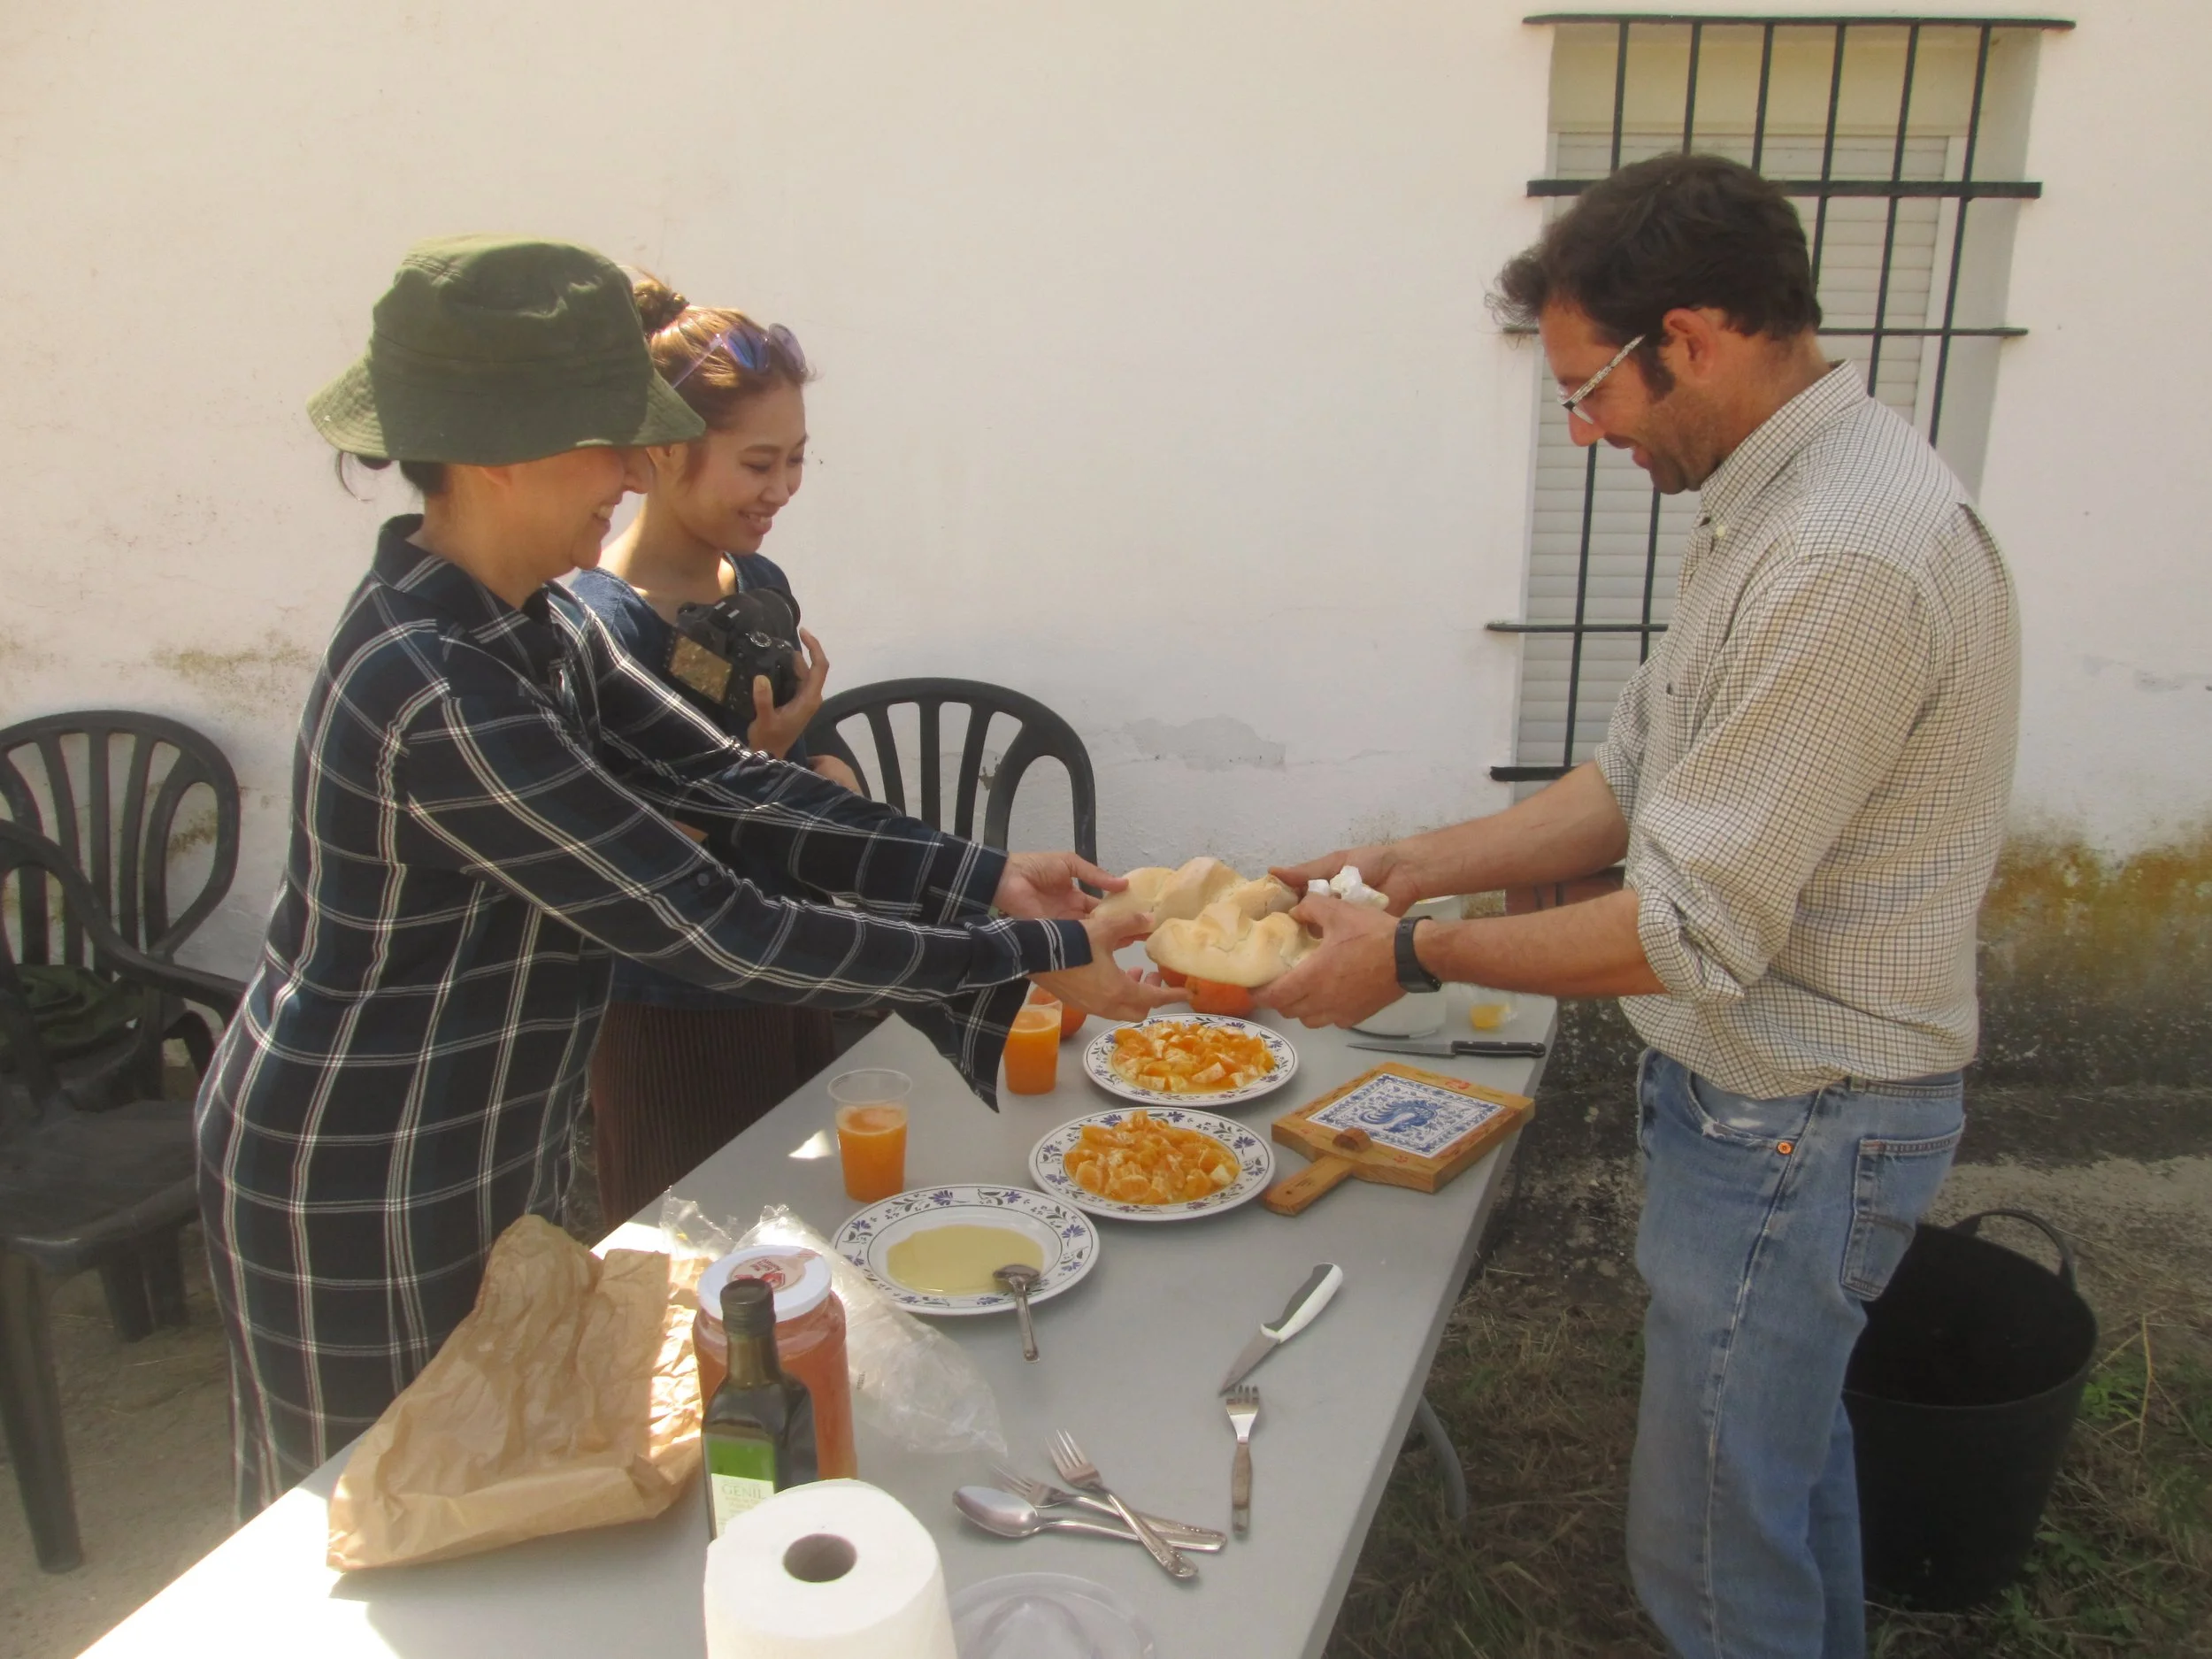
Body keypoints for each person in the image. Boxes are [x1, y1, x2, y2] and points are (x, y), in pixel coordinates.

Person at [196, 234, 1173, 1516]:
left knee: (507, 1481)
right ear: (501, 450)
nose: (628, 470)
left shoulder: (526, 622)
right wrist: (1033, 956)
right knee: (372, 1518)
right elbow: (712, 922)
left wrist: (986, 878)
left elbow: (735, 785)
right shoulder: (436, 683)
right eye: (610, 440)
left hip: (501, 1127)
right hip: (367, 1158)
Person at [1261, 153, 2019, 1659]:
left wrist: (1405, 957)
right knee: (1777, 1470)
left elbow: (1686, 923)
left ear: (1696, 333)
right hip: (1781, 1106)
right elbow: (1635, 772)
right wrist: (1425, 859)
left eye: (1592, 385)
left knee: (1708, 1543)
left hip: (1803, 1116)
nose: (1582, 426)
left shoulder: (1841, 557)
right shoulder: (1782, 495)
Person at [567, 273, 860, 1221]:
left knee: (811, 1248)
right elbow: (636, 857)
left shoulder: (757, 577)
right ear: (659, 455)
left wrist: (830, 780)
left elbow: (813, 764)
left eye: (798, 461)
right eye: (756, 463)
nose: (780, 490)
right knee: (695, 1262)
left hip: (791, 970)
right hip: (674, 1006)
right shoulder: (600, 625)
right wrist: (763, 771)